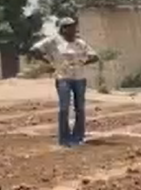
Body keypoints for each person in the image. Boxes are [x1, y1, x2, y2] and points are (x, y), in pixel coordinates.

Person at [30, 17, 99, 147]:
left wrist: (83, 61)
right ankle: (64, 138)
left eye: (74, 26)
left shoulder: (80, 43)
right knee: (64, 108)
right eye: (71, 27)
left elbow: (95, 56)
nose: (74, 29)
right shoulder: (53, 41)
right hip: (63, 77)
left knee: (80, 108)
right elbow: (34, 50)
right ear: (63, 29)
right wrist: (49, 62)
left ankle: (78, 137)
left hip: (79, 78)